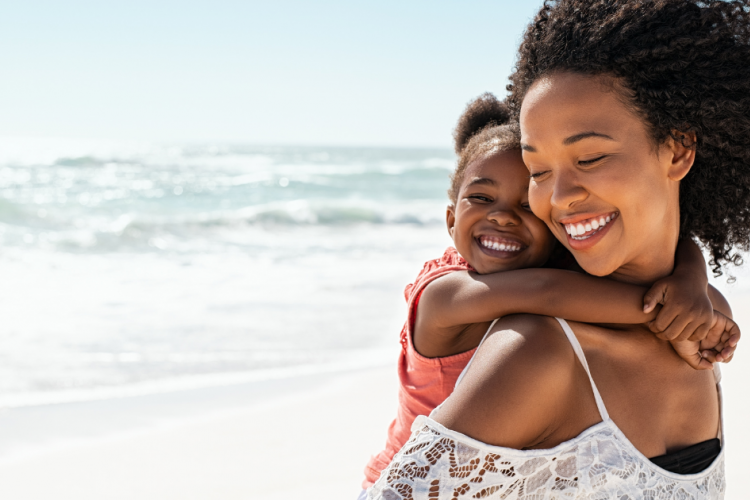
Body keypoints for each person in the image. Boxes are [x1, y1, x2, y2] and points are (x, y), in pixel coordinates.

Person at [367, 0, 748, 498]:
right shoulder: (535, 352)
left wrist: (691, 285)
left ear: (677, 150)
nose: (559, 197)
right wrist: (677, 309)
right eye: (539, 172)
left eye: (589, 157)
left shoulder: (696, 324)